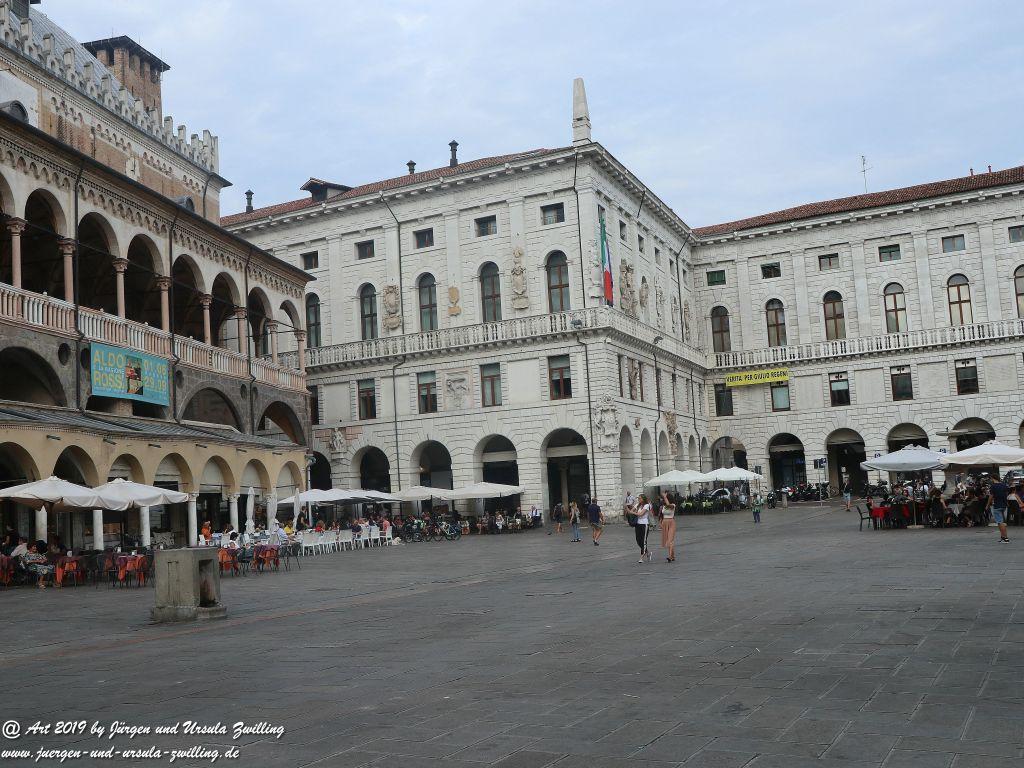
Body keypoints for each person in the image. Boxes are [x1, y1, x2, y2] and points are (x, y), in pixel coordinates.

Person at [988, 476, 1011, 543]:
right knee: (1000, 522)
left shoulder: (993, 486)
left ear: (993, 478)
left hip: (997, 505)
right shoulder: (1004, 485)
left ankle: (1006, 538)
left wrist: (987, 505)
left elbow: (991, 496)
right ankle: (1002, 537)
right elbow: (1006, 494)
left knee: (1000, 522)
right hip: (1004, 505)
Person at [633, 494, 652, 563]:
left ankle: (641, 557)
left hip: (644, 524)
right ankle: (648, 553)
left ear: (643, 499)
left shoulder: (647, 505)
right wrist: (628, 509)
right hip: (637, 524)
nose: (639, 500)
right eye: (638, 498)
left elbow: (641, 514)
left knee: (644, 541)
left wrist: (633, 512)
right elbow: (631, 511)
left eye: (640, 498)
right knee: (638, 540)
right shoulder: (637, 505)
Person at [660, 491, 677, 562]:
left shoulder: (673, 505)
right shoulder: (664, 506)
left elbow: (669, 507)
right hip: (664, 521)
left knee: (670, 539)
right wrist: (660, 522)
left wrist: (665, 497)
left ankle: (670, 556)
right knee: (667, 540)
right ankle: (672, 556)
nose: (664, 500)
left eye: (665, 498)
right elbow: (661, 514)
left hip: (671, 522)